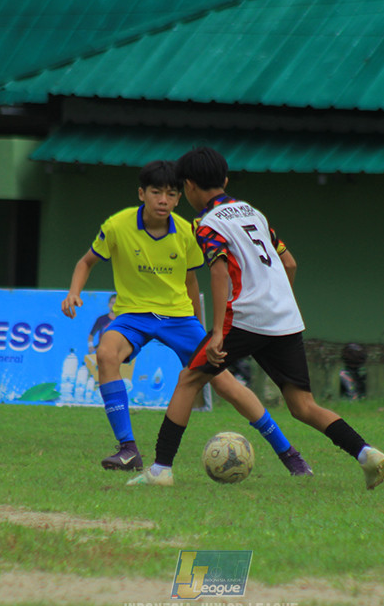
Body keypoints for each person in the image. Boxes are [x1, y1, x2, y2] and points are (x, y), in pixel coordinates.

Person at [127, 147, 384, 489]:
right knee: (303, 405)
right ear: (225, 180)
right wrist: (276, 303)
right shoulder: (253, 213)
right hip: (284, 318)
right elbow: (290, 262)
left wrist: (218, 332)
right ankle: (365, 453)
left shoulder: (206, 223)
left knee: (188, 380)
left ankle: (161, 469)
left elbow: (219, 272)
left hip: (244, 317)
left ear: (188, 186)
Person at [61, 160, 312, 476]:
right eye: (156, 192)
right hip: (133, 315)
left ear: (180, 197)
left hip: (179, 317)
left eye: (171, 194)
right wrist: (74, 292)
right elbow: (85, 262)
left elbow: (192, 281)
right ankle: (128, 449)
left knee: (224, 383)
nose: (163, 200)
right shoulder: (117, 225)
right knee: (106, 354)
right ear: (141, 193)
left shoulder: (188, 231)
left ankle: (288, 453)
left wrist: (202, 329)